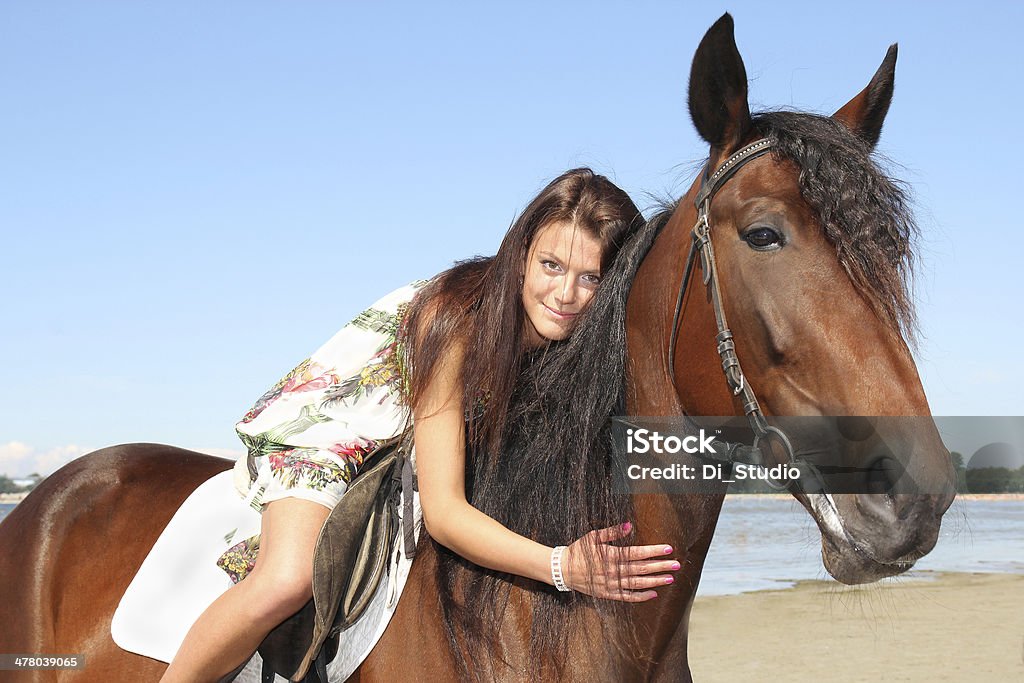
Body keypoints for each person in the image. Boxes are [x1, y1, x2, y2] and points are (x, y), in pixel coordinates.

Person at [160, 168, 681, 682]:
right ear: (521, 254)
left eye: (590, 277)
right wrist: (562, 565)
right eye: (550, 265)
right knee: (286, 579)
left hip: (417, 438)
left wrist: (754, 449)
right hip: (334, 430)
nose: (565, 294)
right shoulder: (456, 320)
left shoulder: (579, 344)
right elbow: (445, 515)